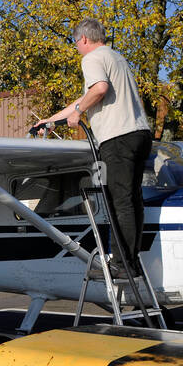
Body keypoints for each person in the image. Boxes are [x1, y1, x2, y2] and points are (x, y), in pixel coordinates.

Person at [33, 18, 152, 275]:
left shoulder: (91, 58)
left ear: (84, 39)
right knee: (132, 200)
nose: (76, 47)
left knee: (119, 202)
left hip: (117, 137)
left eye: (75, 42)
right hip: (139, 134)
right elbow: (87, 96)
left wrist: (78, 113)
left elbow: (99, 89)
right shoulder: (116, 57)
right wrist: (52, 121)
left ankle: (122, 265)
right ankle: (131, 261)